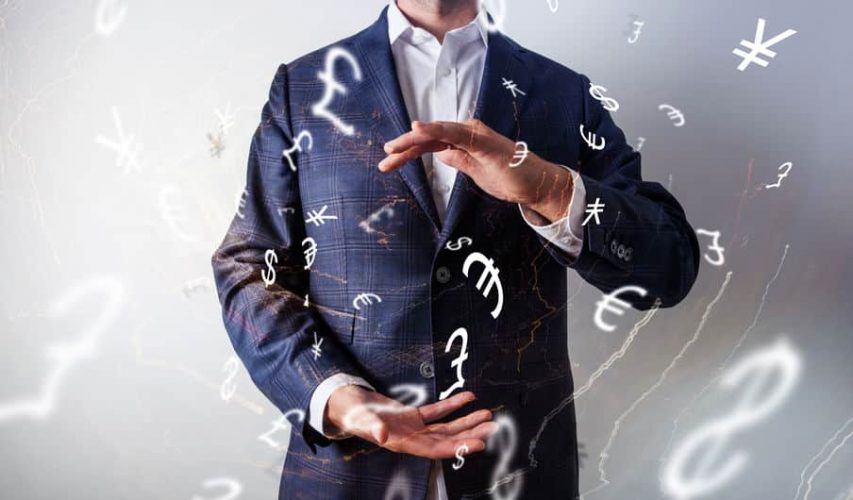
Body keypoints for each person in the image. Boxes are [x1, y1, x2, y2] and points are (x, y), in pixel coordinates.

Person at [211, 1, 700, 498]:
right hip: (348, 476)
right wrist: (338, 398)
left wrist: (549, 190)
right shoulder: (303, 88)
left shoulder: (566, 94)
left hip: (520, 472)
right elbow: (250, 269)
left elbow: (670, 269)